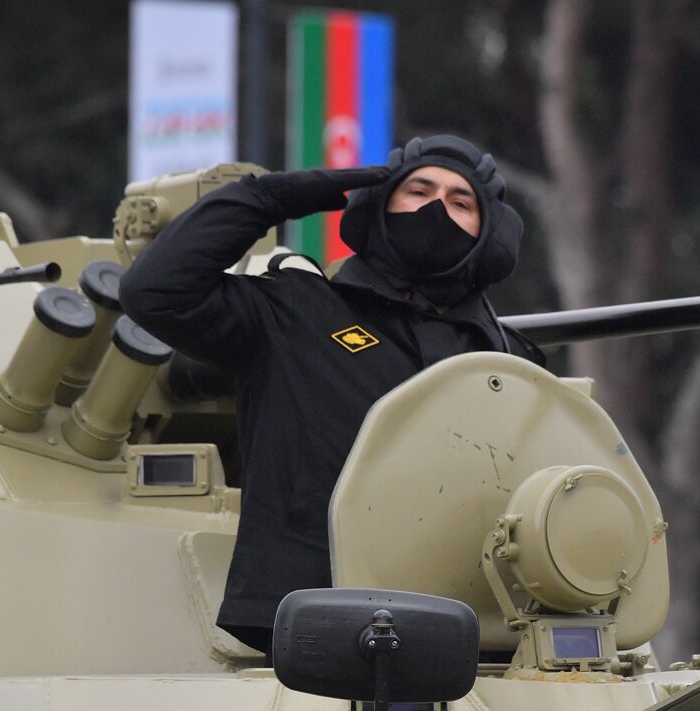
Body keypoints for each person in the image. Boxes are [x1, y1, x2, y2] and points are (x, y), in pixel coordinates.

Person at [119, 135, 543, 654]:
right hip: (318, 622)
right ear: (379, 205)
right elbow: (155, 292)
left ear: (489, 232)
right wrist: (271, 199)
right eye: (418, 191)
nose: (436, 209)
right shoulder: (295, 313)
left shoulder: (509, 362)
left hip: (475, 629)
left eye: (461, 203)